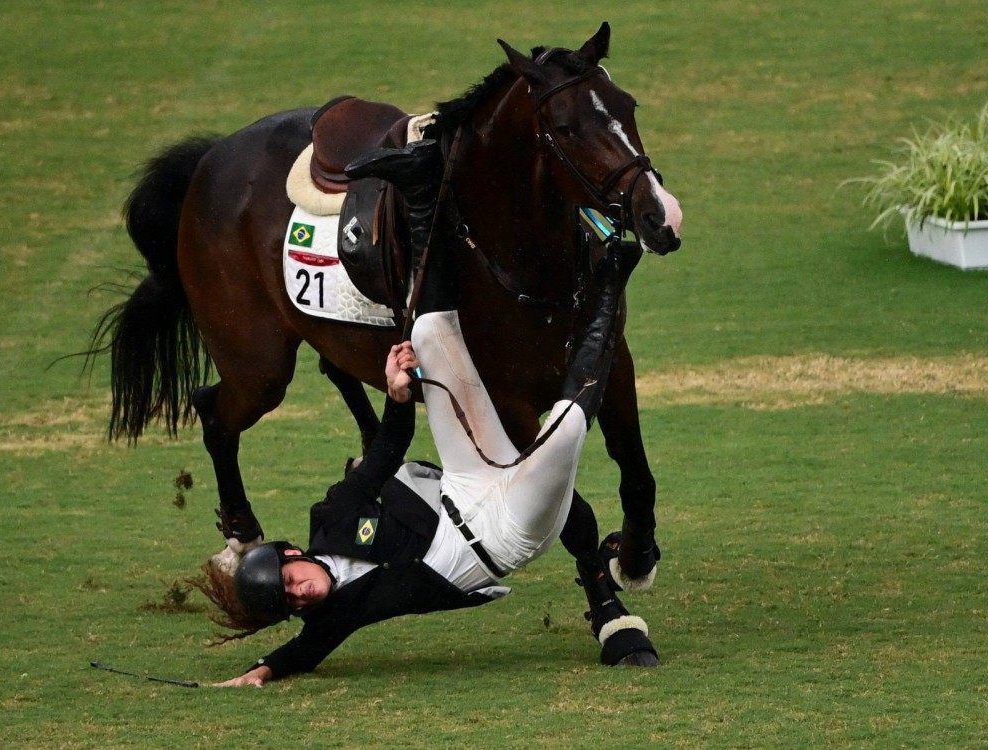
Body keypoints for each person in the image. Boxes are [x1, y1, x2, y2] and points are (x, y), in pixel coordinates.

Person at [200, 141, 655, 687]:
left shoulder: (335, 516)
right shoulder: (337, 612)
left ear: (290, 552)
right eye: (290, 601)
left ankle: (421, 192)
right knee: (562, 433)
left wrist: (396, 393)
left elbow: (388, 452)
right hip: (504, 534)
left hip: (464, 485)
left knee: (430, 336)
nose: (299, 593)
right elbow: (306, 650)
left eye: (288, 580)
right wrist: (259, 671)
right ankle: (610, 282)